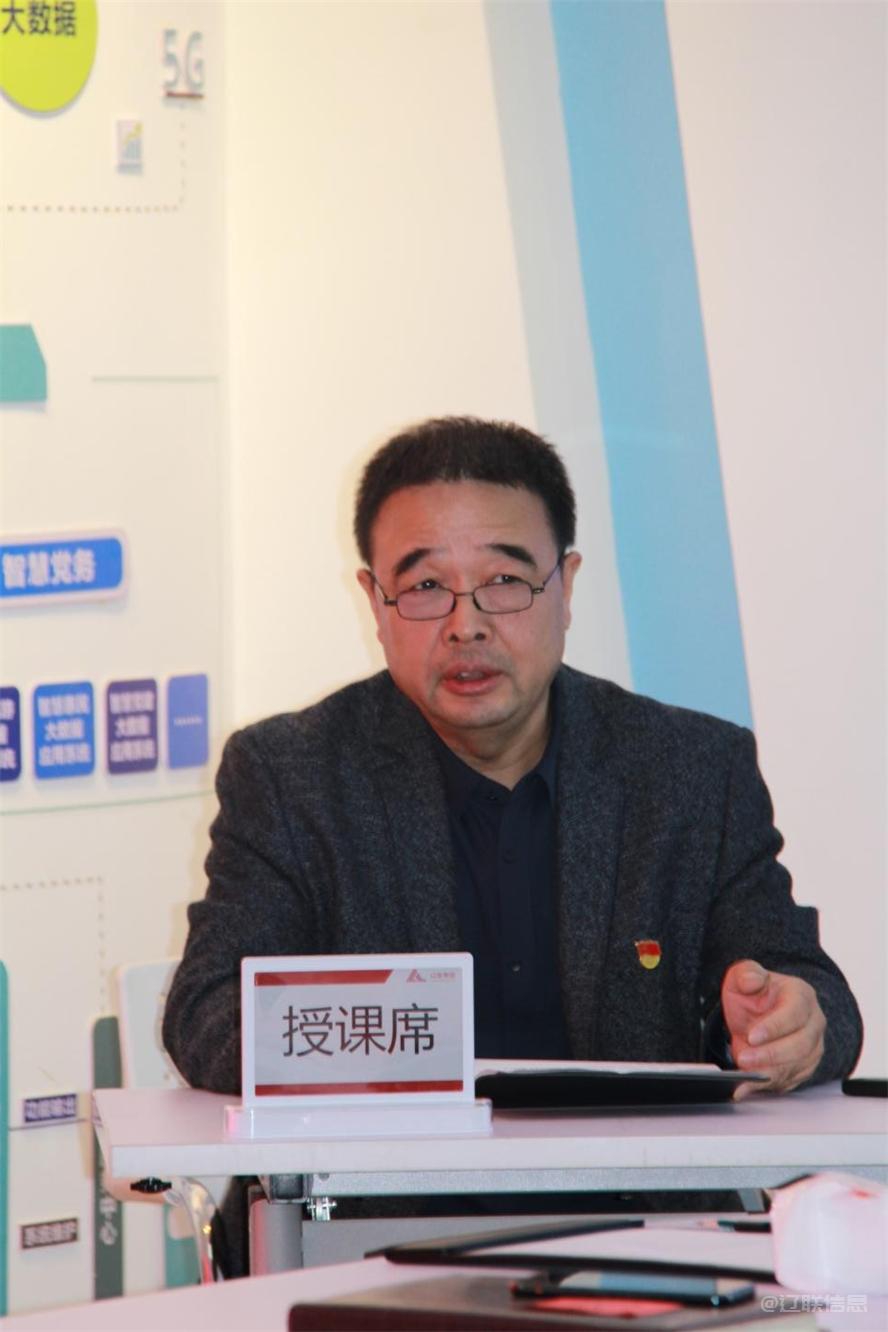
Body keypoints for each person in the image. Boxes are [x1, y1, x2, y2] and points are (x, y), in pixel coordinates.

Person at [163, 415, 861, 1268]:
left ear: (566, 586)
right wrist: (383, 1038)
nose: (466, 625)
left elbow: (816, 995)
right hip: (370, 1242)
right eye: (425, 586)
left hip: (650, 1243)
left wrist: (792, 1023)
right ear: (375, 602)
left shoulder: (690, 768)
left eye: (504, 581)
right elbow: (206, 1017)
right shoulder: (292, 774)